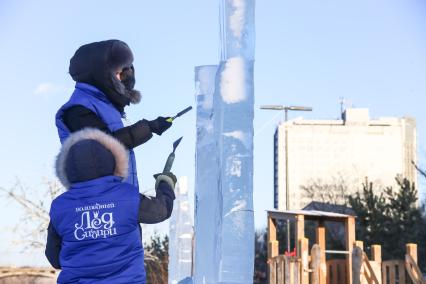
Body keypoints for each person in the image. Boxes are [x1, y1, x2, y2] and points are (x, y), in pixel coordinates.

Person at [45, 128, 176, 283]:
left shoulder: (61, 206)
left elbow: (54, 257)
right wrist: (165, 183)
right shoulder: (128, 196)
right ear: (112, 161)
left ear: (67, 169)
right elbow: (161, 210)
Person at [55, 39, 172, 188]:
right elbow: (104, 145)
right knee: (156, 209)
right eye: (119, 73)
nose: (124, 78)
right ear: (100, 74)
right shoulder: (78, 109)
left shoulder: (108, 108)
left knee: (158, 208)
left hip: (116, 195)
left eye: (127, 71)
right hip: (99, 200)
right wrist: (149, 127)